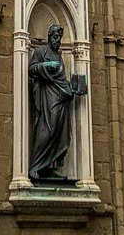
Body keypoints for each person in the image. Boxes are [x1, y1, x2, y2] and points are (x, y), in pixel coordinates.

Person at [28, 23, 80, 182]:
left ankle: (50, 168)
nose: (58, 40)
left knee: (59, 132)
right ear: (49, 36)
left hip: (61, 99)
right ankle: (35, 166)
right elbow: (31, 69)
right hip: (47, 99)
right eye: (55, 37)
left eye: (60, 38)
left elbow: (62, 80)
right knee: (47, 130)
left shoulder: (59, 57)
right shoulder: (40, 52)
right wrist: (45, 65)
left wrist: (71, 89)